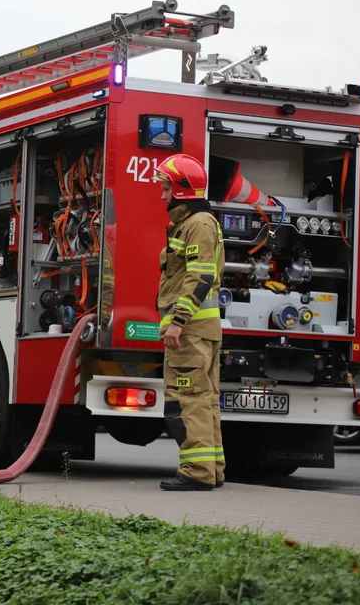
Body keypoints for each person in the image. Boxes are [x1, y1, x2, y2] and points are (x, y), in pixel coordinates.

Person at [153, 154, 226, 491]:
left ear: (182, 189)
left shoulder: (197, 224)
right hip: (202, 329)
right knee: (205, 399)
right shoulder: (194, 223)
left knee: (188, 399)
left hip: (191, 330)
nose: (163, 194)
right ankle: (212, 469)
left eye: (166, 187)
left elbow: (199, 277)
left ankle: (196, 472)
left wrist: (177, 321)